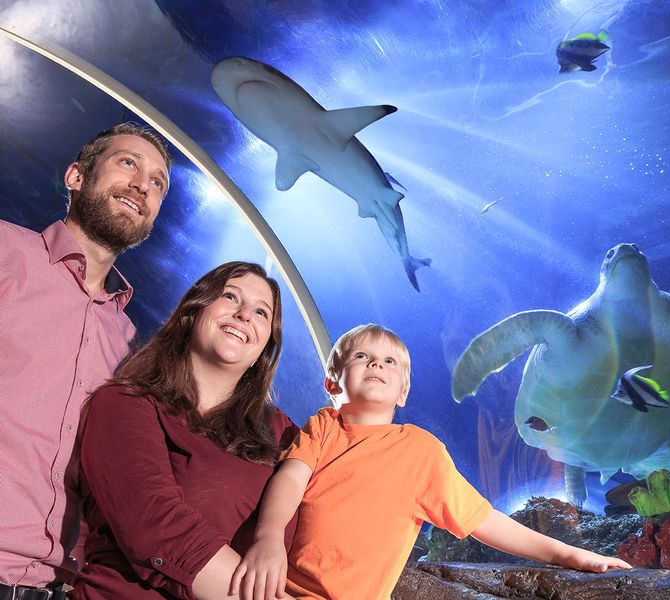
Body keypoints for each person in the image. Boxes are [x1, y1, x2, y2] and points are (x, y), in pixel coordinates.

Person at [232, 324, 632, 600]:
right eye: (361, 355)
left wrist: (571, 555)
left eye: (390, 362)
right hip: (279, 588)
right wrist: (268, 538)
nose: (376, 364)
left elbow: (484, 520)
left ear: (403, 392)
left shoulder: (419, 450)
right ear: (332, 382)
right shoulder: (323, 426)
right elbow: (291, 477)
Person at [0, 122, 172, 598]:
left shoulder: (128, 341)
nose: (143, 184)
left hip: (52, 587)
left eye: (158, 183)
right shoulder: (6, 250)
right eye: (128, 163)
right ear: (76, 176)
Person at [70, 261, 299, 600]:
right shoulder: (124, 403)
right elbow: (157, 527)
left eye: (262, 313)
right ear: (193, 311)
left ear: (263, 350)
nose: (245, 315)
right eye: (230, 297)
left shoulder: (284, 435)